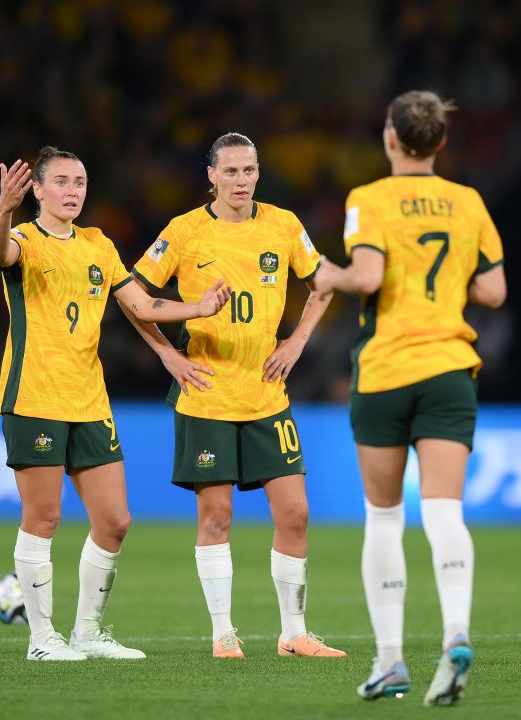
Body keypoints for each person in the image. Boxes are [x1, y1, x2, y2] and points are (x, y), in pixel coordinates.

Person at [0, 147, 231, 662]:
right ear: (37, 189)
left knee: (115, 519)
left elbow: (141, 304)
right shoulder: (24, 239)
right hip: (35, 394)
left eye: (80, 182)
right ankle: (40, 638)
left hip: (90, 399)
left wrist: (199, 308)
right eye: (61, 182)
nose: (72, 191)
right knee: (45, 517)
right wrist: (3, 210)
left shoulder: (98, 245)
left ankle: (87, 633)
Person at [313, 90, 506, 706]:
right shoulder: (467, 201)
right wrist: (446, 289)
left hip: (388, 369)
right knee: (446, 512)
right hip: (450, 367)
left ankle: (391, 660)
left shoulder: (368, 199)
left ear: (392, 139)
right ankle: (454, 633)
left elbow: (366, 277)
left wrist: (330, 274)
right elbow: (495, 291)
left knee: (384, 517)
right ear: (440, 143)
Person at [130, 132, 344, 660]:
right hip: (206, 394)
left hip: (268, 394)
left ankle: (294, 632)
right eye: (230, 171)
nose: (242, 181)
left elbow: (324, 285)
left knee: (295, 512)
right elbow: (135, 297)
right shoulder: (184, 232)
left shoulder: (284, 224)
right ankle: (223, 632)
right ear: (211, 176)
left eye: (249, 170)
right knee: (217, 516)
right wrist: (168, 355)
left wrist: (295, 342)